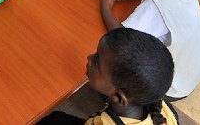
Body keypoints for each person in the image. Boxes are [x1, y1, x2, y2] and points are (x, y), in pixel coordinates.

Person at [39, 28, 179, 125]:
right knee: (56, 118)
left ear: (118, 97)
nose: (89, 58)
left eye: (97, 62)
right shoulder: (164, 110)